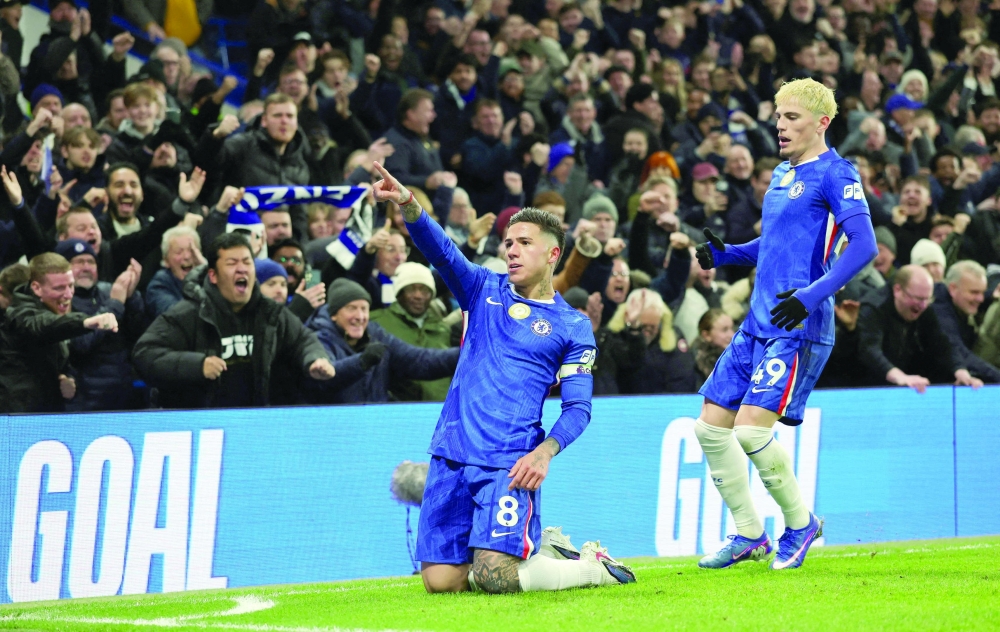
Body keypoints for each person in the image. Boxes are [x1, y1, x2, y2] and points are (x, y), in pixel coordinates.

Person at [369, 160, 634, 595]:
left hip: (509, 461)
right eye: (508, 241)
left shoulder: (572, 326)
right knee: (441, 583)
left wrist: (545, 452)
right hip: (452, 450)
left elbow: (578, 407)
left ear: (552, 254)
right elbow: (442, 251)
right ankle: (541, 548)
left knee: (494, 576)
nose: (510, 249)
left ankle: (591, 567)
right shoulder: (481, 289)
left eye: (524, 242)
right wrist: (408, 204)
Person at [692, 79, 878, 570]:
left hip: (800, 324)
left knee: (752, 433)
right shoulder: (780, 173)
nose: (780, 125)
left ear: (822, 122)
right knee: (710, 427)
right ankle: (750, 536)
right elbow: (773, 244)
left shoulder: (837, 173)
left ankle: (801, 525)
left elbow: (864, 245)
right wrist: (727, 253)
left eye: (792, 117)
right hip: (758, 321)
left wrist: (812, 295)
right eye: (778, 116)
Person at [133, 232, 336, 408]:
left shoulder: (270, 312)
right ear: (213, 276)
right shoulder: (189, 313)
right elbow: (145, 353)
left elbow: (302, 340)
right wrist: (197, 365)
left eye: (247, 262)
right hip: (202, 427)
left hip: (254, 424)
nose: (242, 269)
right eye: (232, 263)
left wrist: (315, 358)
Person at [305, 277, 459, 404]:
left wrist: (464, 355)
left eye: (364, 309)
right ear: (334, 314)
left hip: (378, 426)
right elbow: (324, 379)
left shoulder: (377, 335)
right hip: (336, 429)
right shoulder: (317, 339)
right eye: (352, 308)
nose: (360, 317)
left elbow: (419, 361)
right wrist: (361, 362)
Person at [0, 251, 120, 413]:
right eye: (59, 288)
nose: (68, 295)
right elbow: (41, 325)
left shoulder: (54, 309)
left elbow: (52, 358)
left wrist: (65, 377)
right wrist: (84, 322)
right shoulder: (19, 312)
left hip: (44, 412)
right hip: (15, 418)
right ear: (36, 288)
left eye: (71, 285)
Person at [857, 265, 983, 391]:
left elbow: (941, 343)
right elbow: (869, 350)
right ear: (897, 290)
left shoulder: (924, 306)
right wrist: (900, 377)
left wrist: (960, 371)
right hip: (863, 385)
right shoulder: (874, 308)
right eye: (918, 299)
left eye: (927, 299)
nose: (922, 306)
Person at [370, 262, 456, 401]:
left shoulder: (442, 328)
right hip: (401, 412)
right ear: (399, 293)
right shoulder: (378, 323)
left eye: (425, 290)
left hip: (441, 411)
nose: (418, 296)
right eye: (411, 289)